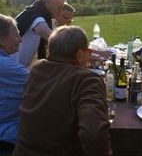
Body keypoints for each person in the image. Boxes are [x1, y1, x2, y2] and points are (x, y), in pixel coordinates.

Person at [12, 26, 112, 156]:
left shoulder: (36, 68)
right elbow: (93, 134)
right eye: (88, 52)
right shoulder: (87, 79)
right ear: (80, 54)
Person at [12, 0, 67, 67]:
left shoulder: (34, 11)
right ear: (48, 2)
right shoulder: (37, 17)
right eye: (59, 6)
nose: (61, 10)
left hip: (14, 65)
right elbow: (52, 37)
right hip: (11, 69)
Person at [0, 14, 29, 155]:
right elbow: (42, 86)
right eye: (16, 35)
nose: (20, 39)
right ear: (1, 38)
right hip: (5, 141)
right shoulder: (4, 65)